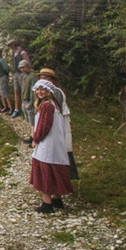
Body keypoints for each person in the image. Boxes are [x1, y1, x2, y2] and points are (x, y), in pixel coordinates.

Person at [29, 79, 72, 213]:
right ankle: (57, 199)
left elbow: (43, 126)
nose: (40, 92)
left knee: (44, 171)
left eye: (43, 89)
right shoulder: (54, 104)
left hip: (47, 144)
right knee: (55, 168)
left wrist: (35, 138)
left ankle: (47, 203)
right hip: (56, 144)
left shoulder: (47, 106)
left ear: (48, 91)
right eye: (38, 89)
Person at [38, 68, 77, 180]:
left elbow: (57, 111)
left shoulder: (56, 92)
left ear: (51, 80)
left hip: (59, 124)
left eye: (45, 78)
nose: (43, 80)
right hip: (54, 124)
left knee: (62, 149)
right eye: (41, 78)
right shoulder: (48, 92)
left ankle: (62, 177)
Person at [8, 39, 31, 118]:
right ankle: (17, 109)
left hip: (22, 74)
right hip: (15, 74)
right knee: (16, 91)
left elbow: (28, 63)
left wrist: (26, 73)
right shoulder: (14, 53)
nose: (10, 48)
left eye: (10, 46)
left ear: (14, 45)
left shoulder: (22, 52)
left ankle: (25, 108)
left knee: (24, 91)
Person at [18, 60, 38, 145]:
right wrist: (22, 101)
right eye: (21, 68)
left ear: (28, 67)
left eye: (23, 67)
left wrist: (31, 102)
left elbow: (33, 90)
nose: (22, 69)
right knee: (29, 120)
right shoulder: (25, 76)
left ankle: (34, 138)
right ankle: (31, 136)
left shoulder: (32, 76)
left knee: (33, 120)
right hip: (25, 100)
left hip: (30, 101)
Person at [0, 48, 13, 114]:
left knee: (5, 92)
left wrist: (4, 75)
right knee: (0, 92)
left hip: (2, 77)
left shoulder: (1, 60)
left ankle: (10, 108)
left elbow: (6, 68)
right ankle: (4, 106)